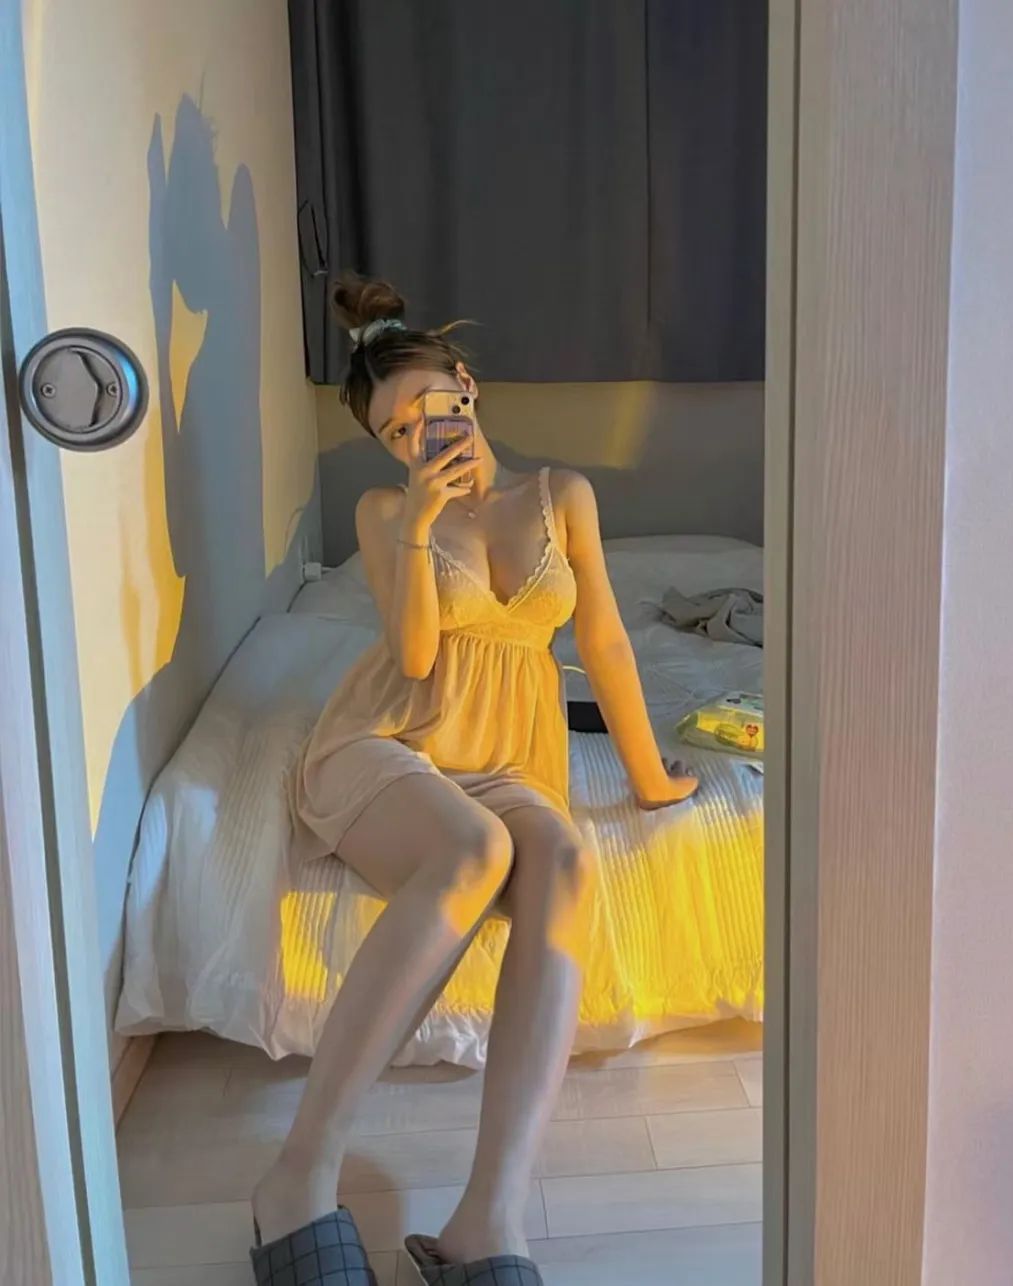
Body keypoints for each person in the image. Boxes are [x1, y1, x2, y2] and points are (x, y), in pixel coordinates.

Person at [250, 276, 700, 1285]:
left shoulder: (562, 496)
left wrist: (649, 778)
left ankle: (487, 1218)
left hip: (505, 756)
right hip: (389, 740)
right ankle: (298, 1176)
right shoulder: (384, 510)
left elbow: (604, 642)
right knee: (474, 848)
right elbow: (413, 658)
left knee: (564, 857)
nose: (418, 432)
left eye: (426, 405)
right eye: (394, 429)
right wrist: (417, 525)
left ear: (466, 383)